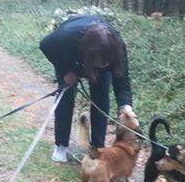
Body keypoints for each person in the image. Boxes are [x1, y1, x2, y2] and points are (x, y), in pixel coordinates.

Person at [39, 14, 135, 163]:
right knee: (66, 96)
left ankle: (97, 148)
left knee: (101, 99)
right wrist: (66, 71)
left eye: (107, 62)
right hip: (70, 58)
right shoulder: (65, 37)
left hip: (95, 59)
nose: (104, 65)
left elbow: (122, 81)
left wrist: (125, 106)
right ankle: (61, 145)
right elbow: (45, 45)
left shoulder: (117, 48)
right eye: (101, 62)